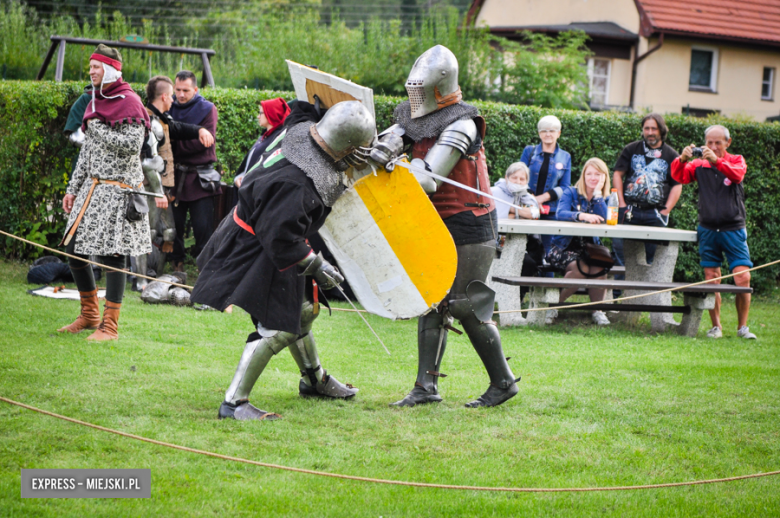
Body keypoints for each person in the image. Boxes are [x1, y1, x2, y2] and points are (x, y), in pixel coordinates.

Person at [191, 100, 375, 420]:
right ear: (345, 147)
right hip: (259, 245)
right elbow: (281, 237)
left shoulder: (299, 128)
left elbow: (302, 105)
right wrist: (318, 266)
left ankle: (313, 380)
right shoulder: (299, 182)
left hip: (257, 232)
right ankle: (234, 403)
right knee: (276, 326)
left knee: (303, 312)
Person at [376, 45, 518, 408]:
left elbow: (428, 179)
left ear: (440, 87)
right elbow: (387, 141)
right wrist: (378, 148)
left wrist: (393, 163)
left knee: (465, 303)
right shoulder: (413, 117)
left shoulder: (463, 123)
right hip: (435, 222)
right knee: (432, 300)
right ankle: (426, 388)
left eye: (421, 89)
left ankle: (502, 382)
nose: (415, 97)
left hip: (471, 222)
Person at [58, 44, 151, 340]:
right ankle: (89, 314)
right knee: (73, 249)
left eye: (96, 67)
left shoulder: (130, 101)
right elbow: (87, 152)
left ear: (110, 69)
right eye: (90, 67)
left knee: (113, 256)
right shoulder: (94, 101)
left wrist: (97, 129)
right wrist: (73, 189)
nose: (91, 72)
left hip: (118, 190)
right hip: (91, 190)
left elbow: (132, 147)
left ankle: (110, 325)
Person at [670, 125, 756, 340]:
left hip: (733, 228)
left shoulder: (737, 160)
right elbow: (679, 176)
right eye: (709, 143)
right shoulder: (699, 164)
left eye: (718, 143)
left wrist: (717, 161)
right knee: (711, 278)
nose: (713, 147)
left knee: (743, 277)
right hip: (708, 228)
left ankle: (742, 328)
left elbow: (737, 175)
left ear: (728, 142)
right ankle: (716, 327)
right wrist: (681, 158)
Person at [134, 75, 215, 288]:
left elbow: (178, 127)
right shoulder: (151, 121)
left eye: (183, 92)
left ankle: (154, 273)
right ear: (164, 96)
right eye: (172, 94)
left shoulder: (162, 118)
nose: (175, 99)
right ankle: (141, 279)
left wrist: (199, 130)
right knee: (148, 232)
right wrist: (160, 191)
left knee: (167, 232)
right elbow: (149, 163)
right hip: (151, 187)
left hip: (161, 188)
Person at [546, 158, 613, 326]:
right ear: (583, 176)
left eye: (597, 174)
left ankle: (597, 311)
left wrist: (597, 195)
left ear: (604, 177)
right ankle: (552, 307)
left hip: (590, 249)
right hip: (563, 247)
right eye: (589, 173)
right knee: (580, 270)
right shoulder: (571, 192)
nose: (592, 178)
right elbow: (560, 213)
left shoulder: (606, 197)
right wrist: (582, 216)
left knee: (600, 266)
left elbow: (608, 219)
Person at [612, 114, 682, 271]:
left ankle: (647, 295)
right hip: (629, 210)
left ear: (661, 130)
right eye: (646, 128)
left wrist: (666, 210)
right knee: (620, 253)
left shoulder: (671, 155)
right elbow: (617, 174)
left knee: (653, 259)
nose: (650, 132)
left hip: (655, 214)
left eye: (654, 128)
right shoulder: (631, 149)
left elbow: (677, 185)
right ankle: (617, 294)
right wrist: (621, 203)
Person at [168, 70, 219, 272]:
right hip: (175, 176)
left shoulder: (207, 109)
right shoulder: (168, 106)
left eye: (186, 90)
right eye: (178, 90)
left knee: (202, 228)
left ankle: (204, 270)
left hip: (200, 177)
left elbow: (203, 144)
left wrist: (173, 145)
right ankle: (176, 267)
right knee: (174, 227)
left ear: (195, 89)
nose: (180, 94)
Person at [519, 115, 572, 258]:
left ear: (559, 133)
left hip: (551, 212)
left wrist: (540, 199)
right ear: (539, 133)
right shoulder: (529, 152)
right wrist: (532, 200)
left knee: (548, 255)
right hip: (527, 210)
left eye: (552, 130)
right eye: (544, 130)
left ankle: (547, 281)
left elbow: (565, 187)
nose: (548, 134)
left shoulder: (565, 157)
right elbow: (520, 178)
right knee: (524, 253)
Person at [233, 97, 291, 188]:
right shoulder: (264, 137)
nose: (258, 116)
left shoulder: (277, 140)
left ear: (271, 114)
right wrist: (239, 177)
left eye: (261, 113)